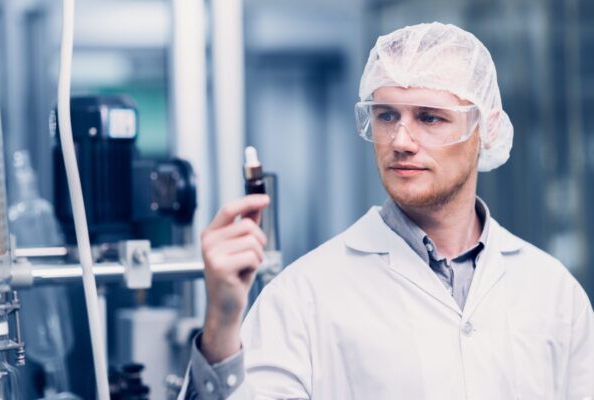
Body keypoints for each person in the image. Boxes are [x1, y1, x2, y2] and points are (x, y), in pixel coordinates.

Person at [179, 22, 594, 400]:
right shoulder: (303, 295)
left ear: (487, 130)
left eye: (430, 118)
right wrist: (221, 323)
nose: (400, 140)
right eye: (386, 115)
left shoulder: (552, 292)